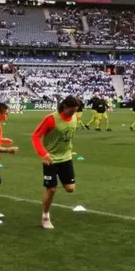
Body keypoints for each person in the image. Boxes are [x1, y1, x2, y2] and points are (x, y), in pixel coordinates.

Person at [31, 96, 80, 229]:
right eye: (72, 111)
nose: (73, 113)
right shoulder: (51, 119)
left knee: (70, 188)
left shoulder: (75, 117)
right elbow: (35, 136)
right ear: (64, 107)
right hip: (50, 159)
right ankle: (45, 217)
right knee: (51, 189)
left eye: (76, 111)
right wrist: (44, 153)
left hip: (66, 158)